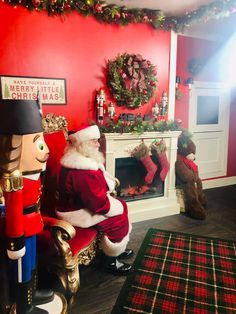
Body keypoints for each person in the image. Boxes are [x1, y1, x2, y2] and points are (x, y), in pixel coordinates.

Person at [56, 124, 133, 275]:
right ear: (83, 144)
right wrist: (115, 205)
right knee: (118, 217)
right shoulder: (82, 171)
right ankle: (110, 260)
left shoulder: (79, 159)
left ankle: (117, 248)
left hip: (79, 204)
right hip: (76, 212)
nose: (99, 144)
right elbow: (98, 204)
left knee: (121, 206)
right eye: (94, 141)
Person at [0, 99, 54, 314]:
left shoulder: (32, 175)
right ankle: (24, 306)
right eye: (39, 144)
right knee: (22, 269)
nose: (47, 150)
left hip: (31, 226)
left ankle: (33, 293)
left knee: (32, 264)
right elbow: (13, 211)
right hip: (20, 231)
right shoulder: (15, 180)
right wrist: (15, 241)